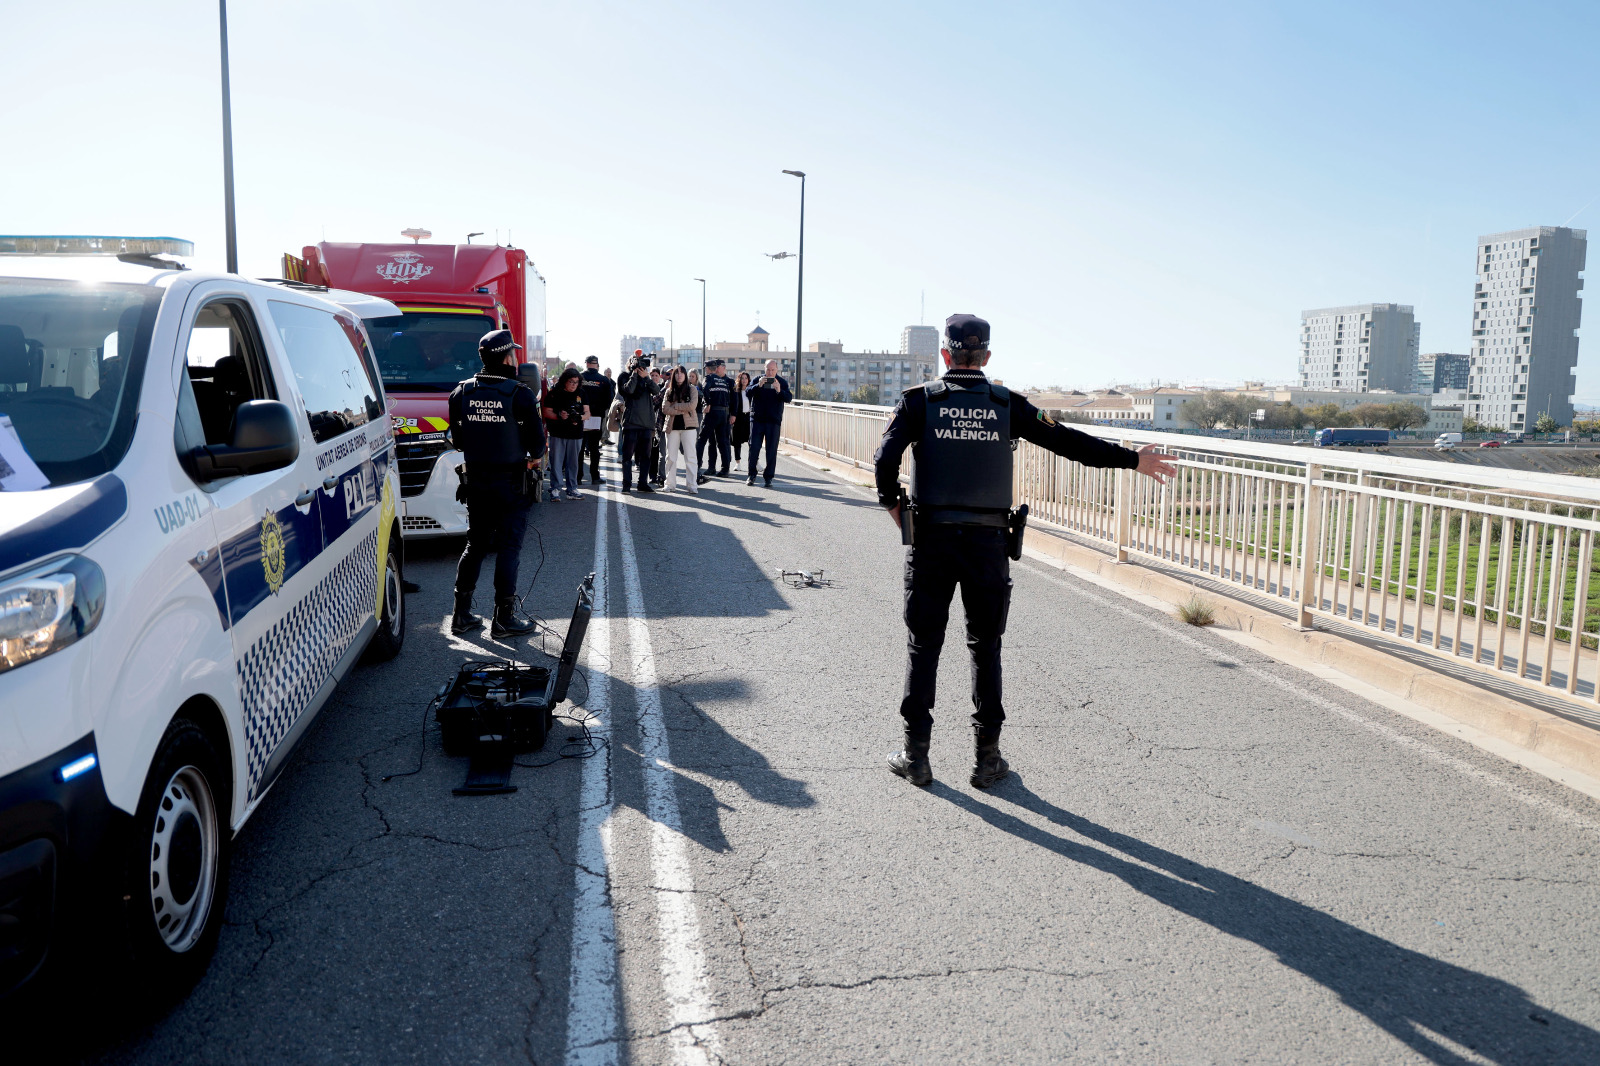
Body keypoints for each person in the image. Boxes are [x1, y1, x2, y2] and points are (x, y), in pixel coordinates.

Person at [874, 314, 1176, 789]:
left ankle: (916, 757)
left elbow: (884, 461)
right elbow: (1067, 442)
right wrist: (1132, 458)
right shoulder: (1006, 404)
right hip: (987, 544)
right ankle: (986, 759)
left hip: (931, 540)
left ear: (946, 356)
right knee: (985, 647)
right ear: (987, 357)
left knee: (923, 645)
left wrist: (896, 510)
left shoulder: (918, 402)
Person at [448, 329, 547, 637]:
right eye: (513, 354)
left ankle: (461, 615)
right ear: (507, 357)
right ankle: (504, 618)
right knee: (509, 547)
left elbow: (460, 441)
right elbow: (539, 447)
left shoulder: (460, 393)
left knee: (475, 545)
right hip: (511, 485)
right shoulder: (519, 394)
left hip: (476, 482)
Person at [744, 358, 792, 487]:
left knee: (771, 450)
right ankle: (751, 475)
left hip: (773, 421)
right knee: (754, 448)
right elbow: (747, 392)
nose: (770, 373)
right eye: (768, 369)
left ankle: (768, 477)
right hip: (757, 420)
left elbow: (788, 398)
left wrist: (778, 390)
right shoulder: (757, 379)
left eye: (773, 370)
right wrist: (758, 385)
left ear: (777, 370)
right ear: (764, 369)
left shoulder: (781, 382)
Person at [543, 366, 589, 501]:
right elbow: (546, 412)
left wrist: (579, 417)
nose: (574, 385)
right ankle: (555, 489)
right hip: (558, 433)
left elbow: (587, 413)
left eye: (576, 382)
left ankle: (572, 489)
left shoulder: (582, 393)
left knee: (573, 463)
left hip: (575, 433)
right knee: (556, 462)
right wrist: (559, 415)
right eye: (571, 382)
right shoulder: (554, 392)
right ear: (564, 381)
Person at [617, 351, 660, 493]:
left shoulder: (646, 378)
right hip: (631, 423)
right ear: (629, 363)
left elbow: (656, 390)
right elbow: (628, 390)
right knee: (628, 457)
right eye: (635, 362)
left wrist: (646, 377)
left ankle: (642, 483)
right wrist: (635, 374)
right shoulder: (624, 377)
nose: (639, 365)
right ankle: (626, 485)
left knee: (646, 456)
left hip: (646, 424)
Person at [660, 365, 701, 494]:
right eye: (676, 373)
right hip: (672, 427)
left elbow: (692, 405)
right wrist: (681, 410)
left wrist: (676, 406)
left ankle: (692, 484)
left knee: (690, 456)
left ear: (685, 375)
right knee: (671, 457)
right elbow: (665, 409)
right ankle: (670, 484)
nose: (679, 375)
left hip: (689, 427)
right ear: (673, 376)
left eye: (682, 373)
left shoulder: (692, 389)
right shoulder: (669, 391)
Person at [696, 358, 736, 483]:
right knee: (722, 442)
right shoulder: (724, 382)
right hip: (723, 413)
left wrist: (706, 403)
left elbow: (704, 390)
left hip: (712, 412)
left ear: (707, 369)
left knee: (701, 440)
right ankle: (724, 469)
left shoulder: (709, 378)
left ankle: (696, 466)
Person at [579, 355, 614, 484]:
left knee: (580, 448)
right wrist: (599, 411)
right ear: (597, 364)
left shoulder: (579, 377)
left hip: (581, 416)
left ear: (587, 363)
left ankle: (578, 477)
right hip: (596, 417)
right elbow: (609, 400)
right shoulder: (603, 380)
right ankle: (595, 477)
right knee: (594, 449)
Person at [730, 370, 752, 463]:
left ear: (748, 380)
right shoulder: (736, 391)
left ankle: (755, 462)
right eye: (742, 378)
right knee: (737, 441)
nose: (744, 380)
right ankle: (737, 462)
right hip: (738, 417)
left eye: (746, 378)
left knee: (752, 442)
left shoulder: (751, 391)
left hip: (749, 417)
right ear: (739, 379)